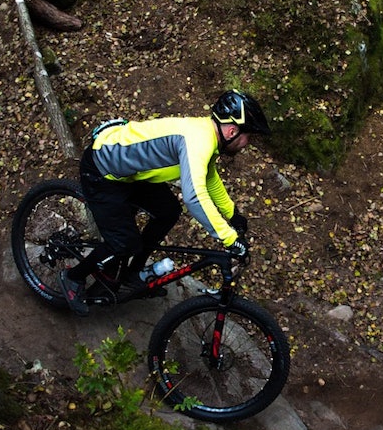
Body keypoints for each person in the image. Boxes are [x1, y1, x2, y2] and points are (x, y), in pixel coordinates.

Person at [59, 89, 270, 314]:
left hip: (132, 174)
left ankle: (133, 274)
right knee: (124, 244)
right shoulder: (198, 140)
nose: (247, 143)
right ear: (232, 131)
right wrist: (229, 238)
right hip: (103, 169)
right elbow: (194, 197)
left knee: (168, 211)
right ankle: (73, 278)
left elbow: (209, 177)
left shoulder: (207, 135)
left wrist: (232, 214)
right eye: (249, 136)